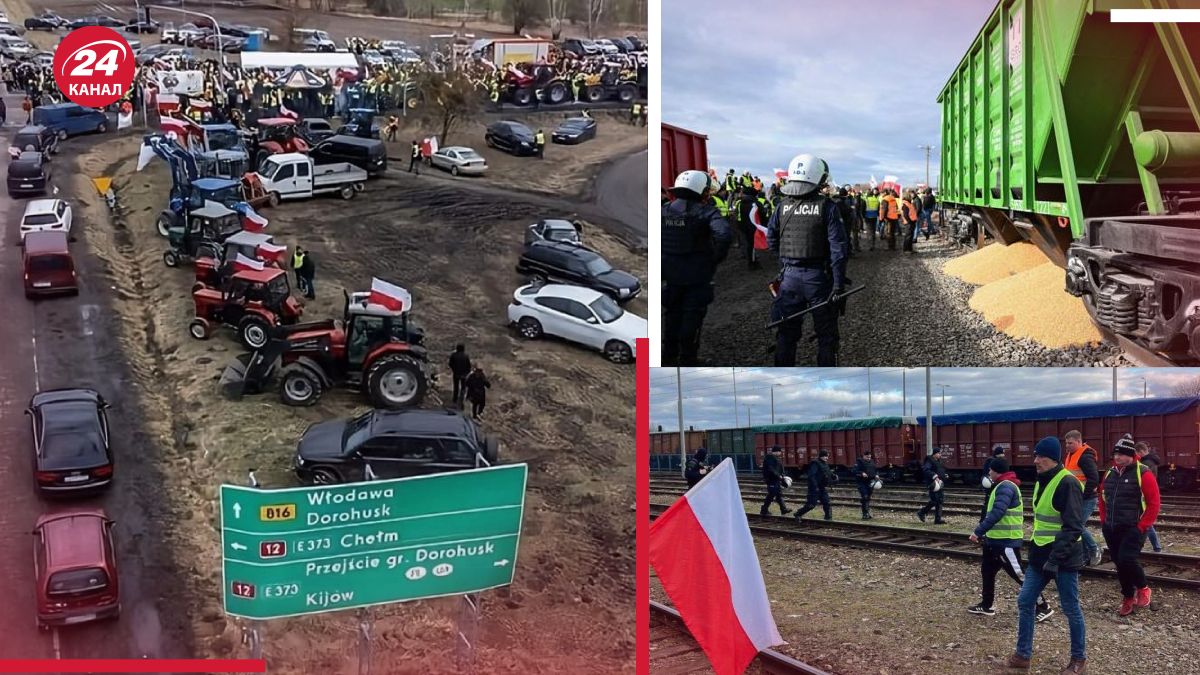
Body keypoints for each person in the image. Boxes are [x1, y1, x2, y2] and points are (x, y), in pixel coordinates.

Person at [1006, 436, 1088, 674]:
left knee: (1071, 608)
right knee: (1025, 600)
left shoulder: (1068, 483)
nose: (1035, 460)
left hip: (1063, 559)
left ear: (1052, 458)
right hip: (1040, 556)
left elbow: (1073, 527)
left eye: (1039, 456)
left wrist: (1055, 560)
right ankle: (1022, 655)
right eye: (1035, 456)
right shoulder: (1043, 480)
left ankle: (1078, 660)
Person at [766, 153, 848, 367]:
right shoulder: (827, 207)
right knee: (827, 337)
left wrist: (786, 262)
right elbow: (838, 250)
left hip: (789, 279)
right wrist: (838, 285)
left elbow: (771, 238)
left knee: (786, 334)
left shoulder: (781, 205)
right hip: (818, 279)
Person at [968, 457, 1054, 622]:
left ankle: (1044, 607)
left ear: (996, 471)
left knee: (1019, 574)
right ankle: (986, 605)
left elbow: (997, 512)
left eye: (990, 470)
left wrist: (978, 531)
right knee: (987, 572)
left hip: (1005, 542)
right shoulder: (1001, 485)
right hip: (994, 541)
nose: (989, 473)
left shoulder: (1006, 487)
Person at [661, 170, 732, 366]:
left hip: (670, 276)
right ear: (702, 190)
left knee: (672, 317)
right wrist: (714, 259)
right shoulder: (706, 212)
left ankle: (668, 357)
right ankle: (688, 359)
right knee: (692, 320)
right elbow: (724, 234)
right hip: (697, 277)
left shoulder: (664, 210)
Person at [1099, 435, 1161, 616]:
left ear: (1131, 455)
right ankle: (1128, 597)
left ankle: (1143, 588)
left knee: (1127, 559)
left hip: (1133, 528)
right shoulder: (1110, 472)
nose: (1117, 457)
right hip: (1111, 527)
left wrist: (1141, 527)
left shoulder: (1143, 473)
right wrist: (1104, 521)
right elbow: (1102, 498)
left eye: (1121, 454)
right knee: (1119, 563)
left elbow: (1154, 503)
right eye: (1115, 454)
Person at [1063, 430, 1102, 565]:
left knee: (1077, 525)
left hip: (1086, 498)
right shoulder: (1071, 455)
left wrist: (1083, 495)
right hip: (1077, 497)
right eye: (1066, 443)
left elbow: (1094, 478)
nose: (1067, 445)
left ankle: (1094, 548)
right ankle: (1086, 555)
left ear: (1079, 442)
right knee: (1077, 525)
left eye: (1070, 443)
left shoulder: (1085, 456)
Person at [1134, 442, 1164, 552]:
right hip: (1146, 494)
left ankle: (1155, 546)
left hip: (1143, 496)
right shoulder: (1151, 462)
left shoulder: (1146, 463)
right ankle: (1156, 546)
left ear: (1141, 451)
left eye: (1136, 453)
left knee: (1146, 522)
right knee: (1146, 521)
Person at [794, 449, 835, 521]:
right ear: (821, 456)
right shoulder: (815, 464)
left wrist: (833, 476)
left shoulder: (824, 464)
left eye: (827, 456)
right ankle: (798, 514)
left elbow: (827, 473)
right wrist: (815, 486)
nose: (827, 458)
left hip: (822, 487)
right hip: (814, 488)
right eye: (825, 456)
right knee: (811, 505)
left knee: (827, 502)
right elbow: (811, 476)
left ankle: (828, 518)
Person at [917, 447, 948, 524]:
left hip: (939, 484)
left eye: (940, 453)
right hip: (933, 484)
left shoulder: (938, 461)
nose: (940, 455)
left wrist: (944, 475)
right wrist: (935, 476)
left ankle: (938, 519)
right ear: (934, 454)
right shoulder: (929, 461)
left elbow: (940, 471)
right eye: (938, 453)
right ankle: (921, 512)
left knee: (940, 501)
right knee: (934, 501)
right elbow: (926, 470)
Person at [759, 445, 789, 515]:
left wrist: (782, 476)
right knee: (771, 495)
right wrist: (779, 476)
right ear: (776, 451)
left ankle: (783, 509)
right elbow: (771, 469)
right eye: (780, 451)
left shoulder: (776, 458)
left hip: (776, 479)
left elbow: (780, 469)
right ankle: (764, 510)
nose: (780, 453)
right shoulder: (769, 458)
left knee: (779, 495)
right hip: (771, 479)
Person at [853, 448, 877, 519]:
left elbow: (875, 470)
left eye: (870, 457)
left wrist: (876, 475)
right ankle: (864, 514)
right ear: (863, 456)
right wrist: (861, 473)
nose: (868, 458)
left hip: (870, 482)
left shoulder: (872, 462)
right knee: (865, 497)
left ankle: (867, 512)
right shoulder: (859, 462)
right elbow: (854, 471)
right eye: (867, 457)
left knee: (868, 498)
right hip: (861, 483)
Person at [448, 344, 471, 408]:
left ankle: (454, 401)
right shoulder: (466, 356)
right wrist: (466, 373)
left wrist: (454, 370)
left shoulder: (454, 355)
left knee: (456, 388)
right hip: (464, 374)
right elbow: (469, 366)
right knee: (463, 388)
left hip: (456, 374)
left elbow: (450, 364)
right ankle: (461, 401)